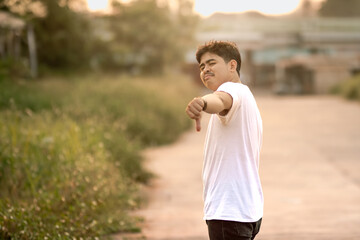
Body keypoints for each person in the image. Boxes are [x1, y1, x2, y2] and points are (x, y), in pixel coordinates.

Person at [185, 40, 263, 240]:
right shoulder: (245, 95)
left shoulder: (232, 90)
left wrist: (202, 102)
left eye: (212, 63)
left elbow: (219, 100)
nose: (205, 69)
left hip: (228, 212)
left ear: (232, 65)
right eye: (202, 66)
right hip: (246, 211)